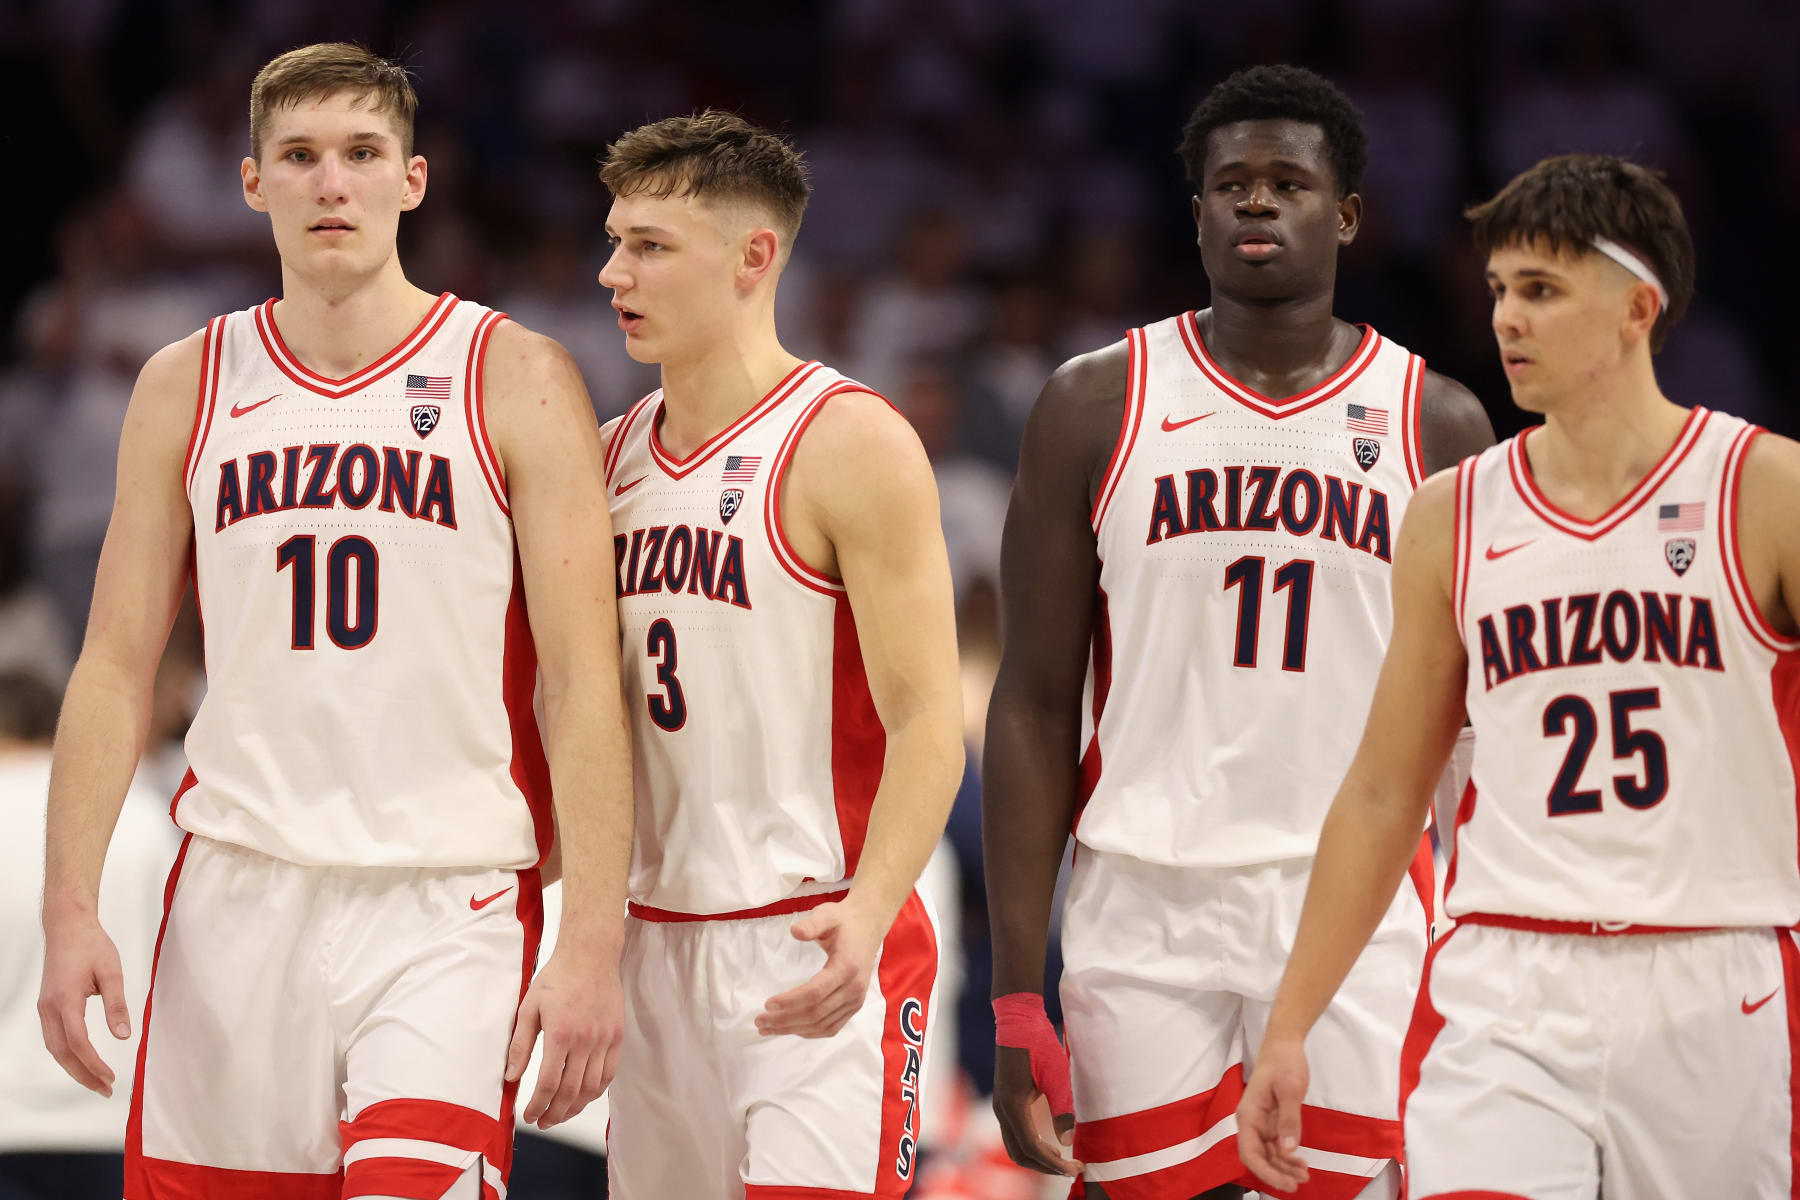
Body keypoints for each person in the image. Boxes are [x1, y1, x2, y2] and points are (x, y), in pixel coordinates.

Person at [36, 43, 635, 1199]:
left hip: (445, 897)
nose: (332, 185)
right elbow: (114, 666)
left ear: (414, 179)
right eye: (301, 158)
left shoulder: (514, 373)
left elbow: (580, 683)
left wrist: (591, 943)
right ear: (252, 182)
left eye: (363, 155)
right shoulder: (187, 382)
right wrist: (72, 910)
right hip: (236, 895)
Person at [1238, 153, 1800, 1198]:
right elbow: (1381, 791)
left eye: (1540, 291)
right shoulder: (1453, 516)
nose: (1506, 319)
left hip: (1715, 978)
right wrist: (1289, 1024)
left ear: (1639, 306)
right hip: (1506, 980)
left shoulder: (1764, 489)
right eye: (1497, 291)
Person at [982, 65, 1494, 1200]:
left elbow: (1474, 732)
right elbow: (1029, 699)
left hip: (1354, 906)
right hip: (1141, 902)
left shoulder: (1440, 424)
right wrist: (1020, 991)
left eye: (1288, 184)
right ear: (1198, 210)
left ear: (1347, 214)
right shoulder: (1096, 402)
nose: (1257, 203)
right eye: (1231, 184)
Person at [594, 110, 964, 1199]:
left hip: (814, 935)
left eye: (651, 246)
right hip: (652, 944)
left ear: (755, 257)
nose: (615, 271)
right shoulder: (607, 456)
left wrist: (871, 905)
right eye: (615, 240)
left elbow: (929, 720)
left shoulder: (851, 440)